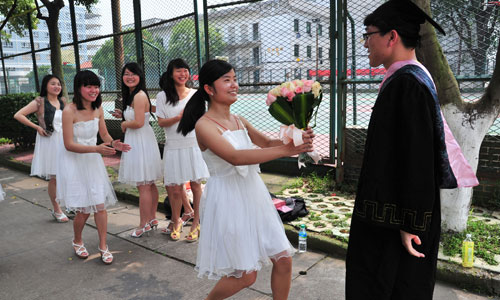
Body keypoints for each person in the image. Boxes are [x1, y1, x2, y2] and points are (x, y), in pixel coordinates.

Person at [345, 1, 464, 299]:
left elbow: (417, 159)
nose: (365, 43)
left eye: (368, 34)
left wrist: (411, 223)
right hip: (396, 214)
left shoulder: (407, 84)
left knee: (389, 287)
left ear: (391, 37)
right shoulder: (411, 77)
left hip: (394, 223)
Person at [177, 59, 314, 300]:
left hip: (254, 194)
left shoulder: (239, 120)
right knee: (245, 275)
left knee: (283, 259)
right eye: (226, 80)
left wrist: (296, 136)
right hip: (228, 199)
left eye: (235, 79)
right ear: (209, 89)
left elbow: (268, 143)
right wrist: (286, 151)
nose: (234, 85)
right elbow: (235, 157)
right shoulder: (204, 125)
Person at [57, 70, 130, 265]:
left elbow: (104, 135)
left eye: (96, 86)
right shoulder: (69, 111)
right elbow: (68, 145)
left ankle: (103, 245)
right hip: (75, 162)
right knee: (84, 209)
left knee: (99, 206)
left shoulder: (98, 109)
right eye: (88, 86)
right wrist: (96, 149)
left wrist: (114, 144)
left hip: (93, 162)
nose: (93, 90)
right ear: (78, 88)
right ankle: (77, 240)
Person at [156, 58, 209, 241]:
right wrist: (180, 117)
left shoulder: (196, 94)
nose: (182, 74)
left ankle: (196, 222)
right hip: (173, 145)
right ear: (171, 74)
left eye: (185, 70)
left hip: (193, 144)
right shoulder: (162, 96)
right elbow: (161, 122)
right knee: (176, 189)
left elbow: (202, 121)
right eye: (178, 70)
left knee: (196, 185)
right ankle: (177, 220)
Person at [14, 75, 69, 222]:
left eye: (58, 84)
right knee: (55, 177)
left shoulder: (63, 101)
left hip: (65, 140)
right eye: (53, 84)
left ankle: (68, 204)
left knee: (68, 174)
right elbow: (18, 115)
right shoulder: (39, 102)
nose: (57, 86)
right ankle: (57, 210)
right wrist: (37, 127)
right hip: (50, 141)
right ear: (46, 86)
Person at [118, 62, 162, 238]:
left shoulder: (138, 95)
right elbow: (138, 116)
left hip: (140, 140)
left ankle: (143, 224)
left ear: (140, 76)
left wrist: (123, 123)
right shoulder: (133, 95)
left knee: (143, 185)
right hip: (140, 140)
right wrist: (122, 116)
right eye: (126, 74)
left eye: (133, 74)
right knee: (148, 183)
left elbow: (138, 122)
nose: (129, 77)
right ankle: (152, 219)